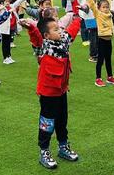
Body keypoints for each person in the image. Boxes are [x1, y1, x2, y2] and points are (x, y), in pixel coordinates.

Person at [20, 15, 81, 170]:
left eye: (59, 28)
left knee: (62, 120)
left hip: (62, 91)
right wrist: (31, 28)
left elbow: (72, 32)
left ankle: (63, 146)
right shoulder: (43, 46)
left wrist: (78, 18)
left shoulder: (64, 41)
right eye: (55, 29)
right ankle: (44, 151)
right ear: (46, 35)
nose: (60, 31)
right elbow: (36, 38)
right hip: (48, 93)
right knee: (47, 123)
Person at [86, 0, 114, 87]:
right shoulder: (98, 14)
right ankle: (98, 78)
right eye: (103, 7)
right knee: (100, 60)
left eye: (107, 7)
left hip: (109, 41)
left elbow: (111, 25)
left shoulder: (109, 15)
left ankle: (110, 77)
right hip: (101, 40)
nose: (106, 9)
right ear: (99, 8)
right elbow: (93, 5)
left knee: (108, 60)